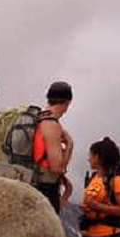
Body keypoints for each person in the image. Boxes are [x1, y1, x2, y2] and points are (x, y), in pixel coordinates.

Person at [79, 137, 120, 237]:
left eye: (90, 155)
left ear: (97, 157)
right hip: (89, 235)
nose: (88, 159)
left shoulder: (116, 180)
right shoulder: (94, 177)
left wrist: (97, 206)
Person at [32, 81, 74, 213]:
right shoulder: (51, 124)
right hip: (45, 188)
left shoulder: (38, 117)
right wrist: (69, 145)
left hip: (31, 180)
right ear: (67, 103)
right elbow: (56, 168)